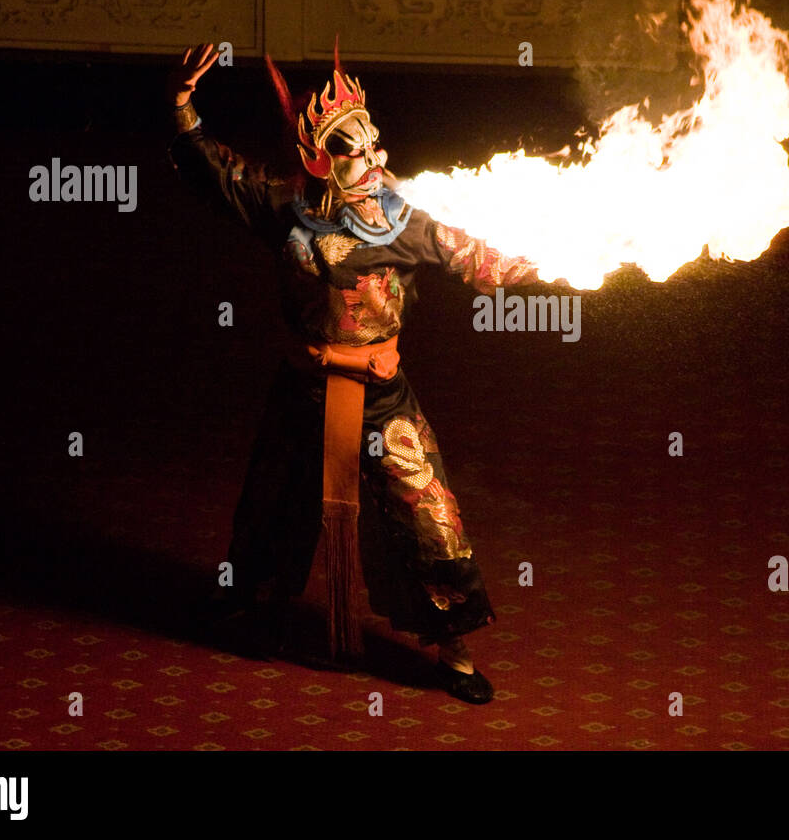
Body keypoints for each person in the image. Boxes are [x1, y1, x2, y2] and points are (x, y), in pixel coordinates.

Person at [167, 43, 539, 704]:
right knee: (271, 509)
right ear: (319, 159)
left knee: (430, 517)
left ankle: (453, 646)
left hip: (383, 402)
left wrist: (546, 252)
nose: (373, 160)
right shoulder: (285, 209)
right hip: (304, 394)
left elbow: (481, 259)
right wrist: (182, 105)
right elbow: (217, 172)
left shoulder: (408, 223)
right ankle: (255, 612)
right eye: (354, 151)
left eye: (374, 146)